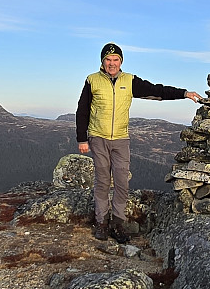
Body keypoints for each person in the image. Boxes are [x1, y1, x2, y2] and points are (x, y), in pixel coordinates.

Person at [76, 42, 202, 241]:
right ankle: (101, 223)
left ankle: (118, 223)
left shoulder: (129, 80)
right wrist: (82, 138)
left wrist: (184, 93)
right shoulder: (92, 81)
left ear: (121, 61)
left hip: (121, 139)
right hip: (98, 138)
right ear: (102, 61)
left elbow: (156, 91)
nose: (112, 63)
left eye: (115, 59)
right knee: (102, 182)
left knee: (121, 182)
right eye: (108, 60)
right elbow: (82, 110)